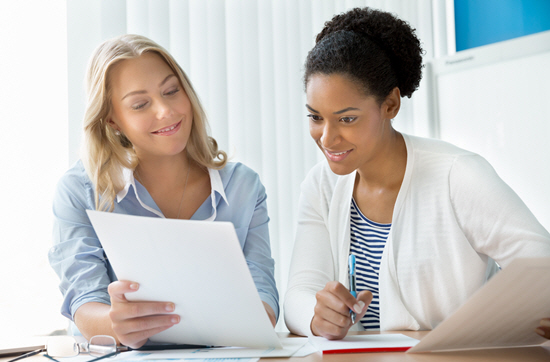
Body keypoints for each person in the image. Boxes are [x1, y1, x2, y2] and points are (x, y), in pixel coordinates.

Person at [283, 7, 550, 340]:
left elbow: (542, 269)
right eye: (315, 117)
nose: (327, 138)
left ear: (390, 105)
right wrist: (317, 317)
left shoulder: (458, 175)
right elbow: (299, 291)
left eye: (347, 118)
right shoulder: (320, 185)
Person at [49, 34, 278, 349]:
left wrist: (259, 319)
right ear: (112, 119)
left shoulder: (243, 187)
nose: (166, 111)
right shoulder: (80, 191)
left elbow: (262, 293)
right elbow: (84, 301)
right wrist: (115, 325)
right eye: (140, 104)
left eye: (172, 91)